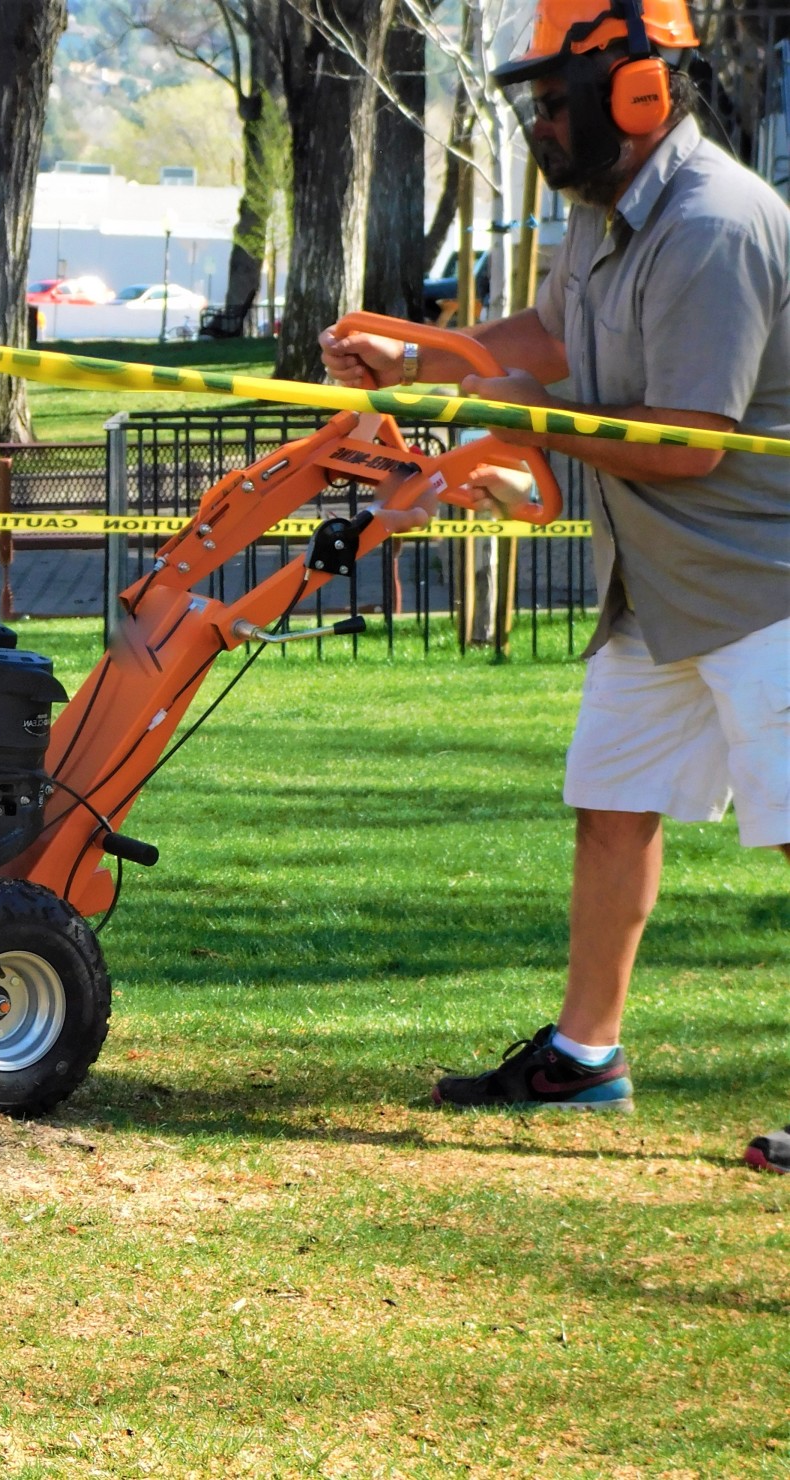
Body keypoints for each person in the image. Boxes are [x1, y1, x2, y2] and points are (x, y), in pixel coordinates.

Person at [318, 0, 789, 1173]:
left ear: (632, 93)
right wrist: (425, 359)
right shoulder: (603, 213)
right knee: (612, 803)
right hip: (661, 581)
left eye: (550, 97)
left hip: (768, 585)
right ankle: (585, 1059)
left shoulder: (715, 225)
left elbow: (687, 442)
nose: (537, 119)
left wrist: (501, 417)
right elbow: (552, 335)